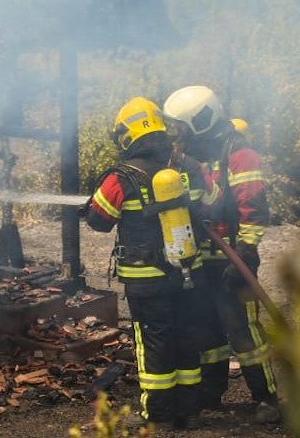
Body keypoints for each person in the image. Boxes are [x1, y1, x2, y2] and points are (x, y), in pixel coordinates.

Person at [83, 97, 205, 429]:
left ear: (128, 134)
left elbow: (99, 220)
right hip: (186, 271)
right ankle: (189, 410)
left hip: (145, 277)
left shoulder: (121, 177)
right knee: (184, 336)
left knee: (153, 341)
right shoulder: (187, 166)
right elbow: (206, 208)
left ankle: (158, 415)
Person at [163, 85, 281, 424]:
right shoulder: (188, 153)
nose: (177, 133)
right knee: (205, 328)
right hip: (199, 256)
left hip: (232, 258)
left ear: (200, 121)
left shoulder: (239, 154)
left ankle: (266, 397)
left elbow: (254, 208)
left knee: (241, 329)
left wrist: (246, 250)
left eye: (181, 126)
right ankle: (210, 393)